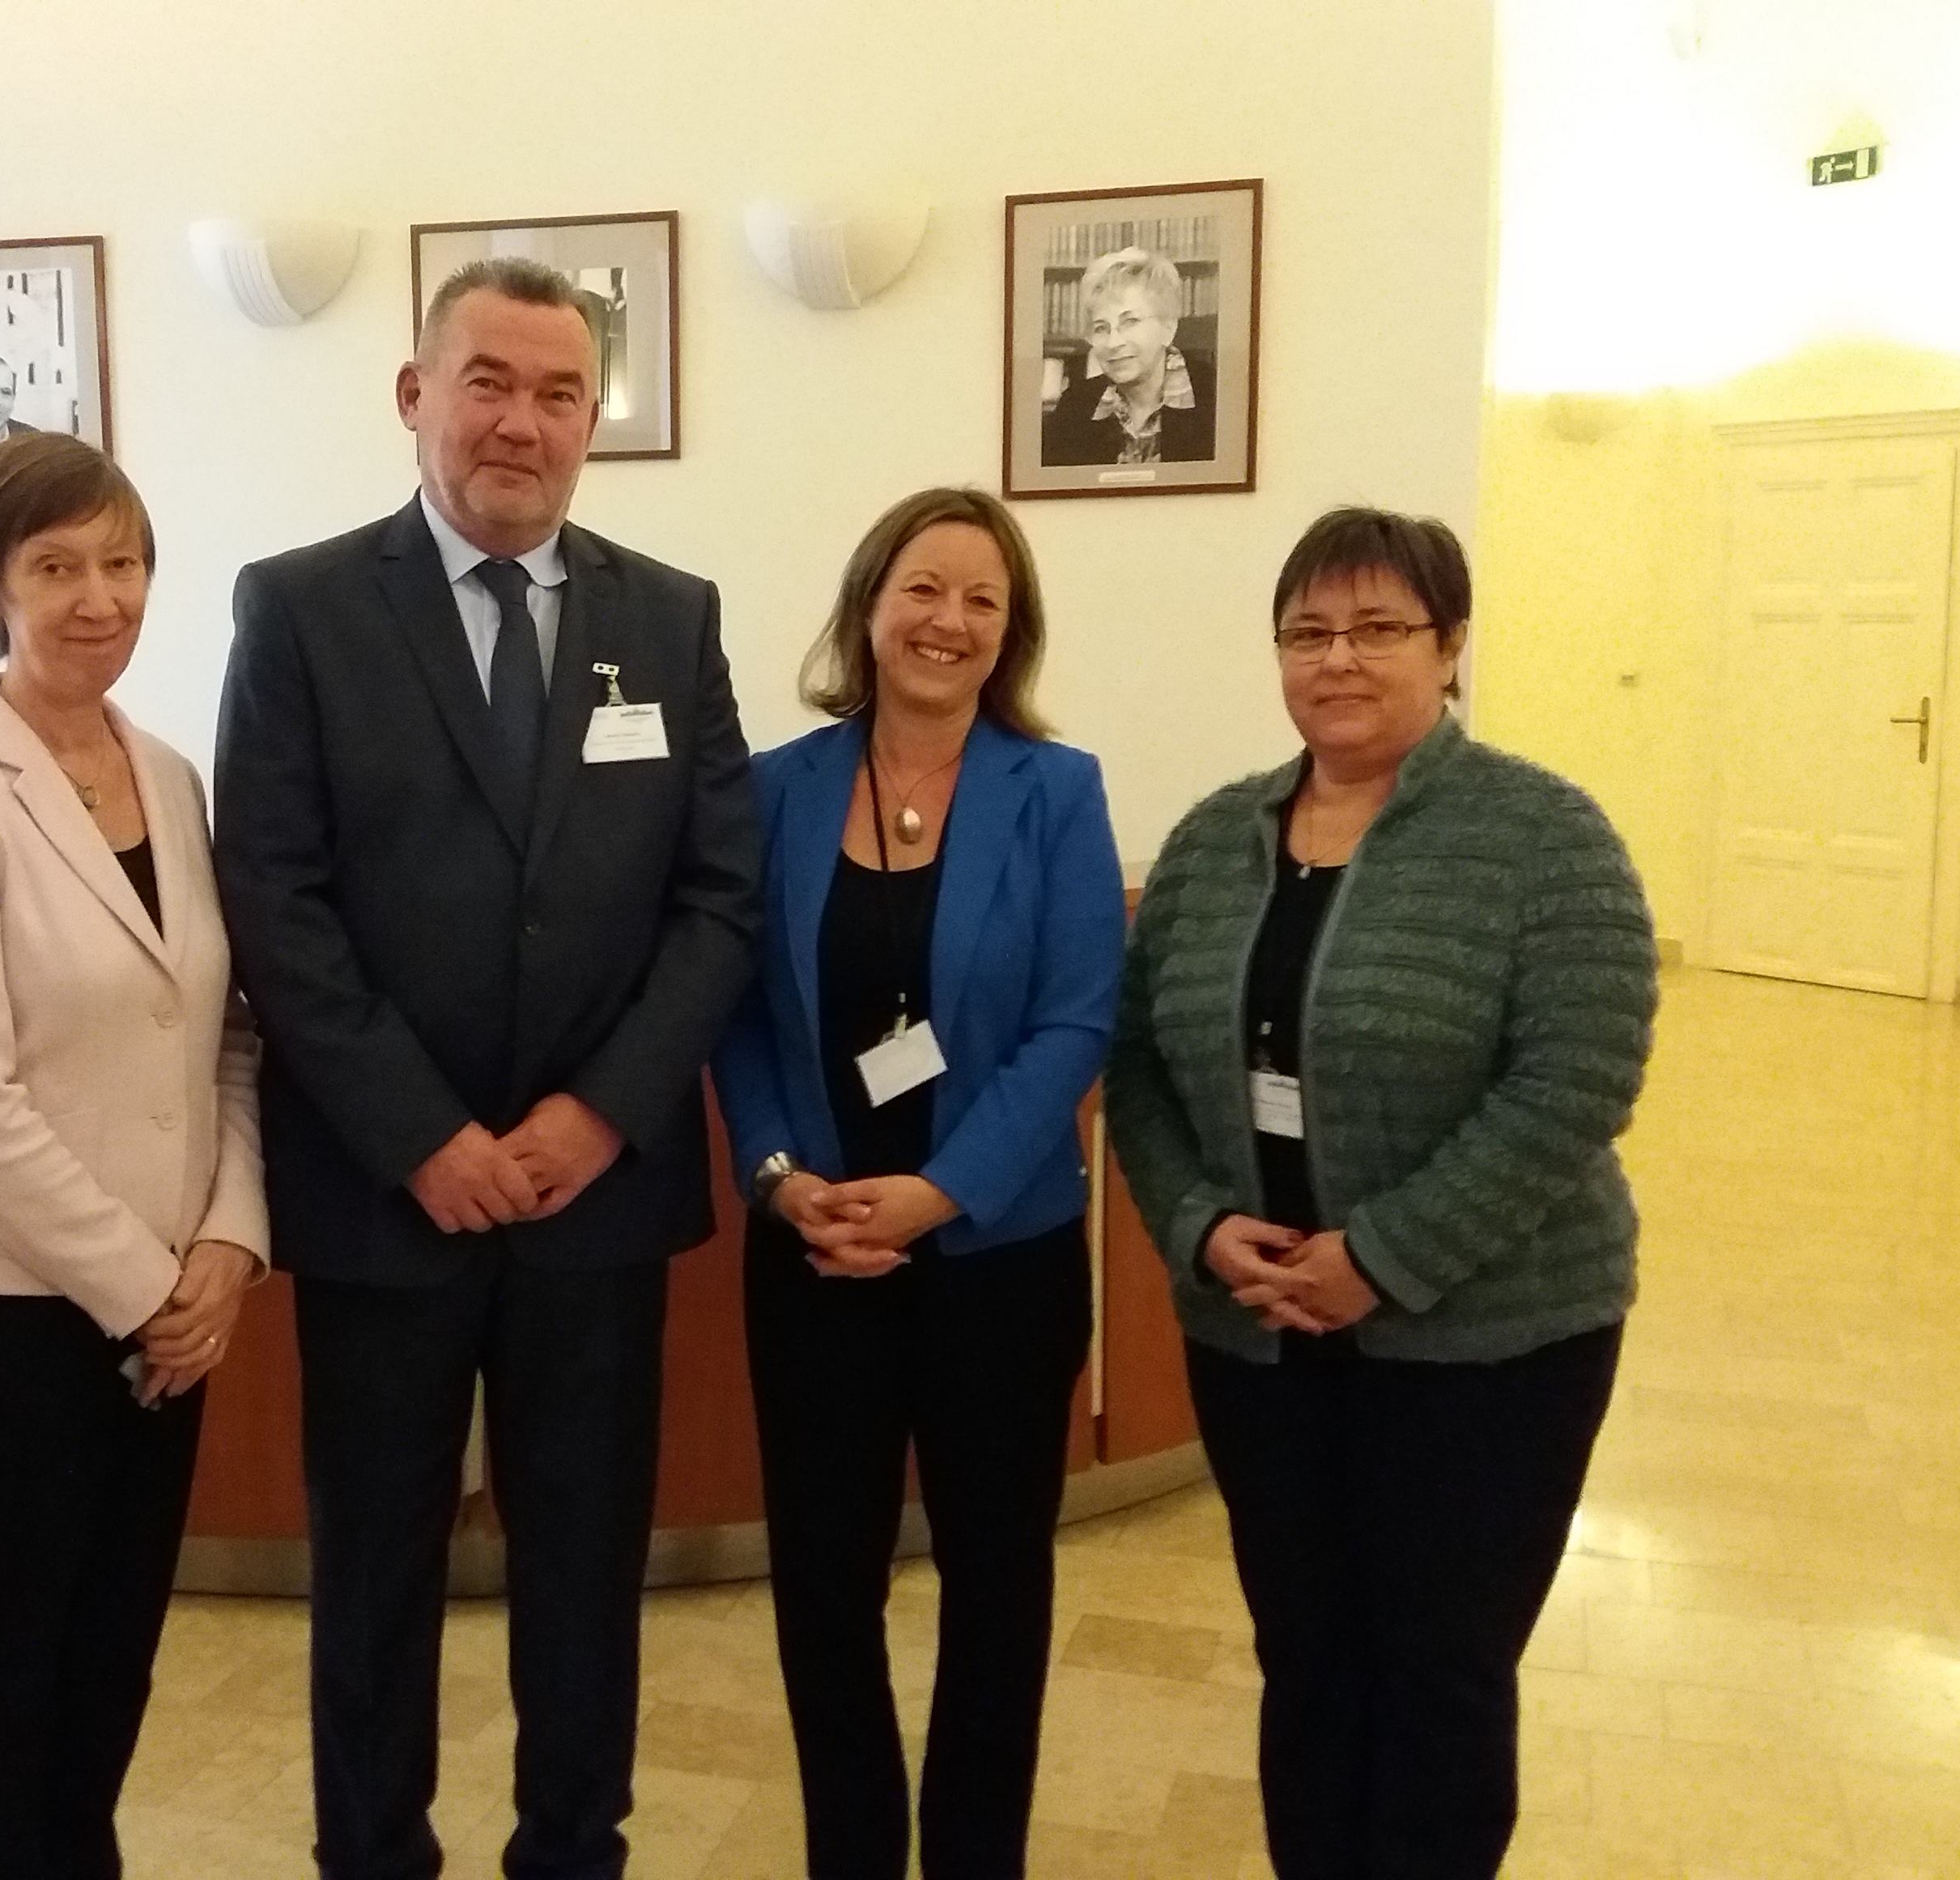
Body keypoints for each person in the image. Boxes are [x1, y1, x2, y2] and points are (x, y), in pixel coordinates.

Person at [212, 256, 762, 1880]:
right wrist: (421, 1135)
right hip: (386, 1203)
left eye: (559, 392)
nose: (522, 422)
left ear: (596, 419)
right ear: (415, 395)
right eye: (489, 383)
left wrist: (599, 1115)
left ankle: (573, 1853)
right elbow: (276, 899)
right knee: (375, 1576)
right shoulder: (300, 609)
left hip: (597, 1205)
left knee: (585, 1576)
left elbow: (720, 898)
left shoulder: (671, 617)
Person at [1104, 506, 1657, 1879]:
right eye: (1307, 631)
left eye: (1376, 628)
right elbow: (1139, 1063)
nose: (1337, 658)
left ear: (1449, 645)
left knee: (1440, 1670)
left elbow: (1577, 1079)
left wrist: (1384, 1255)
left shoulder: (1544, 835)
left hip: (1491, 1346)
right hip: (1259, 1337)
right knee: (1306, 1654)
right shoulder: (1212, 839)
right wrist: (1195, 1226)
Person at [0, 432, 266, 1879]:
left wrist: (227, 1242)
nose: (100, 597)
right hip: (4, 1319)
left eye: (122, 561)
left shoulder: (169, 776)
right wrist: (142, 1286)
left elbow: (226, 1034)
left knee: (106, 1670)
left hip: (168, 1316)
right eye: (55, 567)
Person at [708, 487, 1122, 1880]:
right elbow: (738, 1014)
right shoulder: (774, 789)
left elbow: (1075, 1021)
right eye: (923, 589)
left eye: (981, 600)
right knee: (822, 1593)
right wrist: (778, 1178)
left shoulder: (1054, 791)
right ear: (869, 607)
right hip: (813, 1257)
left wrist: (939, 1191)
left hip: (998, 1261)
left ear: (1011, 632)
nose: (948, 620)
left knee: (996, 1591)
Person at [1037, 247, 1218, 468]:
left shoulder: (1218, 398)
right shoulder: (1075, 406)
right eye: (1101, 328)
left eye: (1130, 322)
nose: (1113, 343)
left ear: (1168, 328)